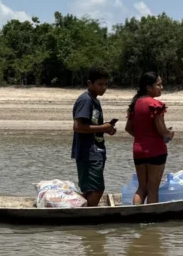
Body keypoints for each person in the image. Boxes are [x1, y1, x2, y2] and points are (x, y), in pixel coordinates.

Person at [125, 72, 174, 205]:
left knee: (142, 188)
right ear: (149, 87)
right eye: (158, 84)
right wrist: (169, 134)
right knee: (153, 189)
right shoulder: (156, 105)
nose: (161, 87)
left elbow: (128, 128)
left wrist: (142, 136)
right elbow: (161, 129)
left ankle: (136, 216)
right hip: (156, 150)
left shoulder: (135, 104)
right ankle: (151, 223)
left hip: (139, 150)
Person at [71, 67, 117, 207]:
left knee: (89, 189)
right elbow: (78, 127)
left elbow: (91, 125)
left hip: (96, 151)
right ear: (89, 83)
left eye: (106, 84)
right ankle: (87, 220)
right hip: (88, 153)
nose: (104, 88)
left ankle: (82, 218)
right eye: (100, 84)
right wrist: (103, 127)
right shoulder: (85, 100)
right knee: (97, 189)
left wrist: (106, 129)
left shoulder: (95, 101)